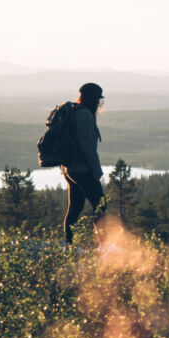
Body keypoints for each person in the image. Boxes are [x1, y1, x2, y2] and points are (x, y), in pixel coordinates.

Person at [61, 82, 106, 243]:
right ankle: (105, 245)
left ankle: (68, 244)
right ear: (92, 99)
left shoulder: (76, 112)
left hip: (70, 169)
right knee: (100, 205)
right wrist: (97, 171)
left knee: (75, 208)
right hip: (82, 170)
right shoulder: (84, 116)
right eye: (97, 99)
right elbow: (88, 147)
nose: (98, 103)